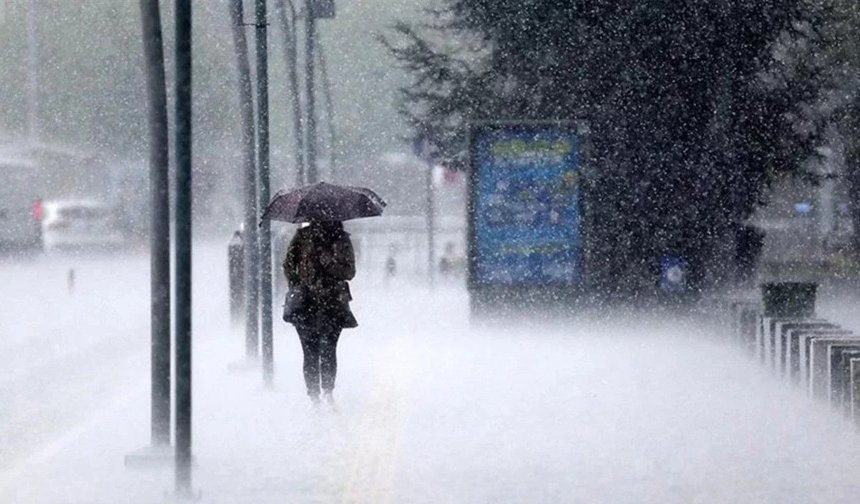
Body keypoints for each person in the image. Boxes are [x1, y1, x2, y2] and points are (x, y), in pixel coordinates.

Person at [283, 220, 357, 405]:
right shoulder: (302, 237)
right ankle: (314, 395)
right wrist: (298, 284)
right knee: (310, 351)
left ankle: (327, 391)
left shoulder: (341, 239)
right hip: (306, 303)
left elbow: (349, 272)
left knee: (328, 349)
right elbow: (288, 265)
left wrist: (330, 264)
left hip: (332, 303)